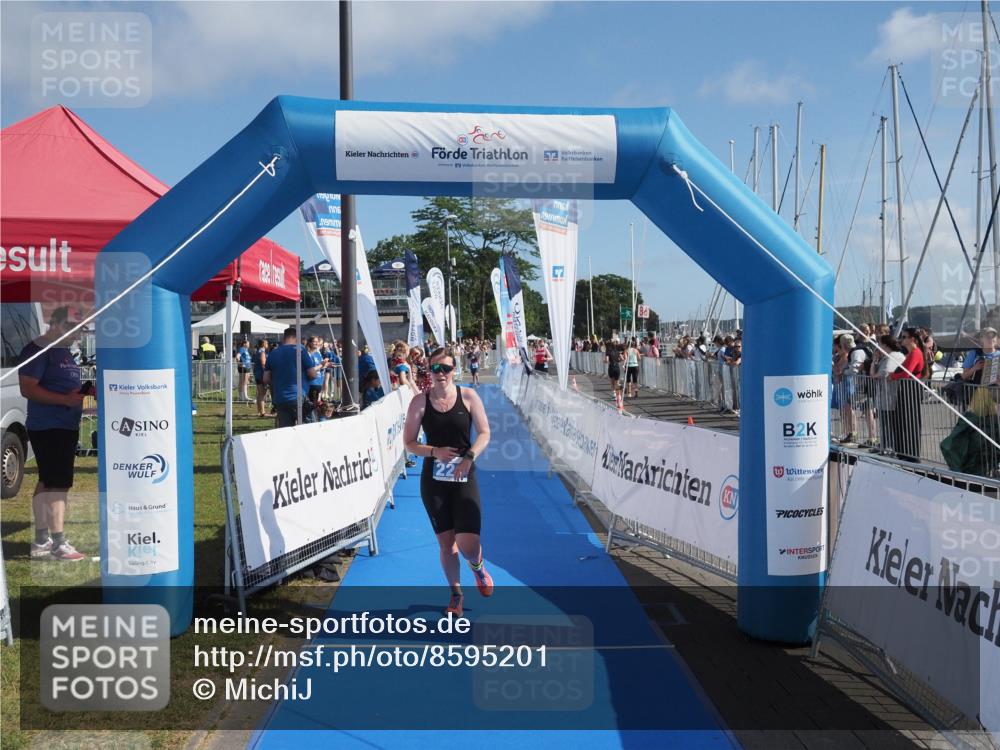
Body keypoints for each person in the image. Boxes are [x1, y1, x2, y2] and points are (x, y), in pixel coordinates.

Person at [403, 347, 493, 616]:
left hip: (464, 475)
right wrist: (434, 451)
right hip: (435, 481)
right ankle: (456, 595)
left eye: (446, 368)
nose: (441, 374)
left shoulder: (468, 396)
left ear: (455, 370)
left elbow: (485, 433)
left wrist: (469, 456)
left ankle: (477, 567)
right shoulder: (419, 402)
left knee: (468, 543)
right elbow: (409, 443)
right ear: (429, 371)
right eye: (435, 368)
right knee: (446, 544)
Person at [18, 306, 88, 561]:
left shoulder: (63, 351)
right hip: (50, 426)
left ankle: (41, 541)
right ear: (57, 324)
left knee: (47, 482)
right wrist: (64, 400)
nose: (78, 335)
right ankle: (58, 544)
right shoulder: (39, 349)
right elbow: (28, 389)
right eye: (74, 328)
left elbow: (63, 387)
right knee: (58, 484)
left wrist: (80, 396)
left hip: (63, 425)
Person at [263, 327, 319, 428]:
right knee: (308, 430)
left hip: (280, 398)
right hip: (298, 397)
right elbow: (313, 374)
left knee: (285, 433)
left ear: (284, 337)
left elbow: (266, 379)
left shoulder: (273, 353)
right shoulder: (300, 350)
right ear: (295, 337)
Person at [890, 327, 929, 462]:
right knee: (903, 420)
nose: (902, 339)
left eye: (904, 337)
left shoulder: (915, 353)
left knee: (909, 420)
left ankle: (910, 453)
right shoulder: (911, 353)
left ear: (912, 339)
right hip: (907, 389)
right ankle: (904, 451)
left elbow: (908, 373)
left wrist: (893, 376)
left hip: (911, 389)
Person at [253, 339, 270, 417]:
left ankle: (259, 411)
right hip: (261, 375)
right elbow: (263, 363)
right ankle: (262, 412)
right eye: (266, 343)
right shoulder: (262, 352)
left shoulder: (258, 351)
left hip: (257, 374)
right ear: (263, 344)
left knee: (260, 394)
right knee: (262, 394)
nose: (268, 344)